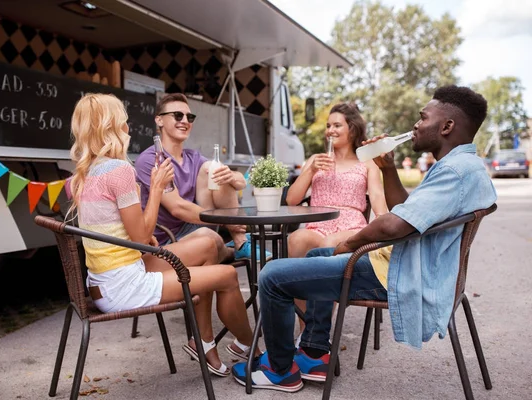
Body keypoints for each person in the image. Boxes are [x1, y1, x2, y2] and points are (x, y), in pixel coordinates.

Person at [231, 85, 497, 392]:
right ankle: (315, 352)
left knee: (272, 276)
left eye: (423, 117)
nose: (416, 124)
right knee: (317, 257)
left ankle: (279, 371)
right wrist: (389, 168)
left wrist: (347, 245)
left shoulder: (455, 172)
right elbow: (406, 210)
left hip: (400, 274)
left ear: (447, 126)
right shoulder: (461, 167)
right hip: (404, 264)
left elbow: (392, 225)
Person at [67, 93, 258, 377]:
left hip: (108, 277)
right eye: (124, 121)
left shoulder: (82, 176)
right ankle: (252, 349)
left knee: (207, 245)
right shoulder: (119, 170)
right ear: (112, 125)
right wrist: (156, 188)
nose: (128, 127)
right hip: (124, 284)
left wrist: (144, 230)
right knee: (227, 276)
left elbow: (126, 233)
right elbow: (141, 236)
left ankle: (203, 342)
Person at [135, 93, 268, 261]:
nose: (185, 121)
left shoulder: (193, 157)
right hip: (165, 240)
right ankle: (230, 253)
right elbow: (178, 208)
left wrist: (233, 176)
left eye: (189, 117)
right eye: (177, 115)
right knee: (209, 238)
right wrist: (225, 220)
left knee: (215, 171)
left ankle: (240, 243)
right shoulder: (152, 160)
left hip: (192, 227)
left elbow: (241, 183)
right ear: (159, 120)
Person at [285, 102, 387, 258]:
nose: (330, 131)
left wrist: (382, 233)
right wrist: (311, 170)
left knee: (329, 243)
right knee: (296, 238)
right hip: (317, 227)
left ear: (352, 130)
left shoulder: (367, 163)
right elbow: (291, 200)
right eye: (328, 126)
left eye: (337, 126)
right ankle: (300, 282)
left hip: (352, 228)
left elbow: (379, 205)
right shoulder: (315, 160)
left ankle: (324, 281)